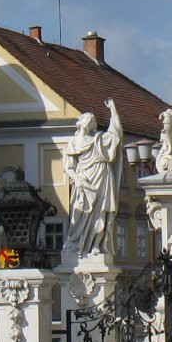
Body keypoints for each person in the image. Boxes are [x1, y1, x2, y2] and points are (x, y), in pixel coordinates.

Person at [62, 99, 124, 259]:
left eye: (91, 120)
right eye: (87, 119)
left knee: (101, 212)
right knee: (80, 213)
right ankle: (77, 244)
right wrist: (77, 178)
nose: (89, 122)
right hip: (84, 181)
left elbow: (116, 132)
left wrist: (113, 108)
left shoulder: (98, 139)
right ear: (80, 122)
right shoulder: (72, 143)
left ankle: (96, 245)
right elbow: (68, 168)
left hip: (102, 177)